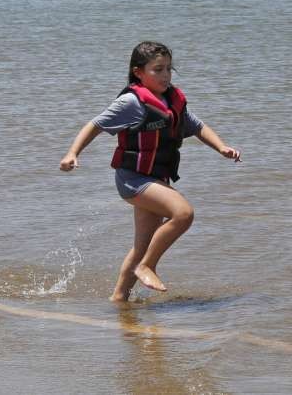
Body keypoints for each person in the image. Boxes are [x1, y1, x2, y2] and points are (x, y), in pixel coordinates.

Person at [59, 41, 241, 303]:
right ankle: (147, 266)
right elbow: (95, 125)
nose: (165, 75)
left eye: (169, 69)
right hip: (133, 180)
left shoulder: (172, 100)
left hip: (156, 178)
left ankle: (119, 300)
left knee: (142, 245)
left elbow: (197, 126)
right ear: (138, 72)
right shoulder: (131, 102)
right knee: (183, 213)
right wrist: (72, 153)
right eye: (158, 70)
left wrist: (221, 147)